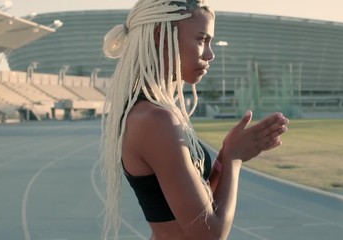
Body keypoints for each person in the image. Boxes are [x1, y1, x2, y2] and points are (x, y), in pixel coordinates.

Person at [100, 0, 289, 239]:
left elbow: (195, 207)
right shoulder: (155, 120)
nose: (210, 54)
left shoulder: (153, 112)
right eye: (202, 40)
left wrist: (225, 155)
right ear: (162, 35)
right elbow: (209, 234)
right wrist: (234, 160)